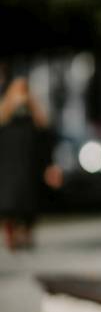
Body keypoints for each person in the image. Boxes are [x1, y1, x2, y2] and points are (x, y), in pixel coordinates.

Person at [0, 77, 61, 249]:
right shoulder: (6, 110)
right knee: (9, 202)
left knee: (29, 201)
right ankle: (11, 234)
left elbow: (45, 129)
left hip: (28, 163)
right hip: (8, 164)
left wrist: (31, 102)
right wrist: (11, 103)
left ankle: (26, 233)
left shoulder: (32, 113)